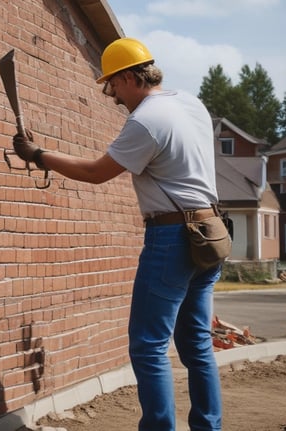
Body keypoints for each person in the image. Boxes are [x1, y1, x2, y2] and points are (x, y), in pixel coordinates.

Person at [12, 38, 223, 431]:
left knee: (148, 346)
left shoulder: (147, 119)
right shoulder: (190, 103)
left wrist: (39, 155)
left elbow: (96, 172)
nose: (113, 97)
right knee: (196, 346)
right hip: (210, 233)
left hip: (173, 237)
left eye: (113, 86)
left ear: (129, 77)